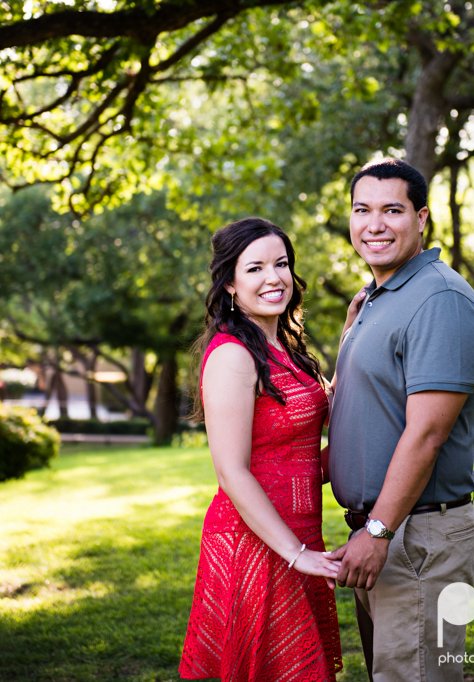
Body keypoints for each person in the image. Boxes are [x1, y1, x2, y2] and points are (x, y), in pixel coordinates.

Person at [327, 158, 474, 682]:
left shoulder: (439, 299)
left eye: (391, 210)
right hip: (381, 533)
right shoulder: (378, 298)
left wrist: (378, 530)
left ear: (422, 219)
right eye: (362, 210)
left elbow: (427, 433)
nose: (374, 224)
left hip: (414, 536)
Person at [179, 217, 343, 682]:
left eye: (282, 264)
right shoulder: (234, 354)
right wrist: (295, 553)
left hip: (298, 535)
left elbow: (305, 459)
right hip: (256, 545)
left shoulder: (287, 348)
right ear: (230, 282)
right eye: (255, 268)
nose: (274, 278)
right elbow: (231, 472)